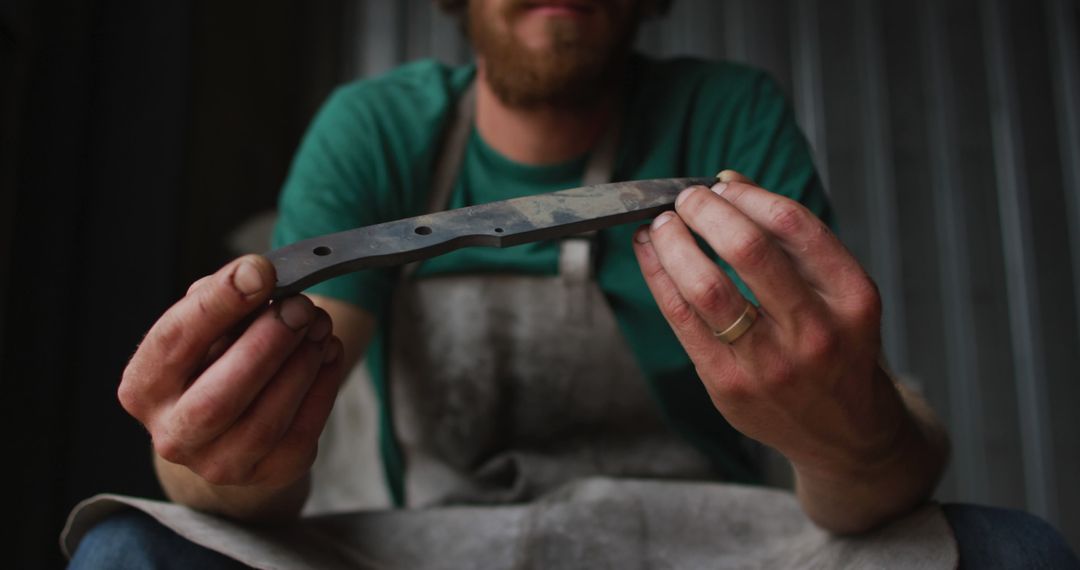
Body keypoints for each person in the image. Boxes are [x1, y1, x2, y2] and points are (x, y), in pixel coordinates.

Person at [67, 0, 1079, 568]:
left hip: (699, 548)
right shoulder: (376, 129)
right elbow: (251, 454)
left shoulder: (724, 119)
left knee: (1018, 555)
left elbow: (874, 478)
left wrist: (852, 431)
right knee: (126, 554)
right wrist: (218, 454)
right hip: (419, 551)